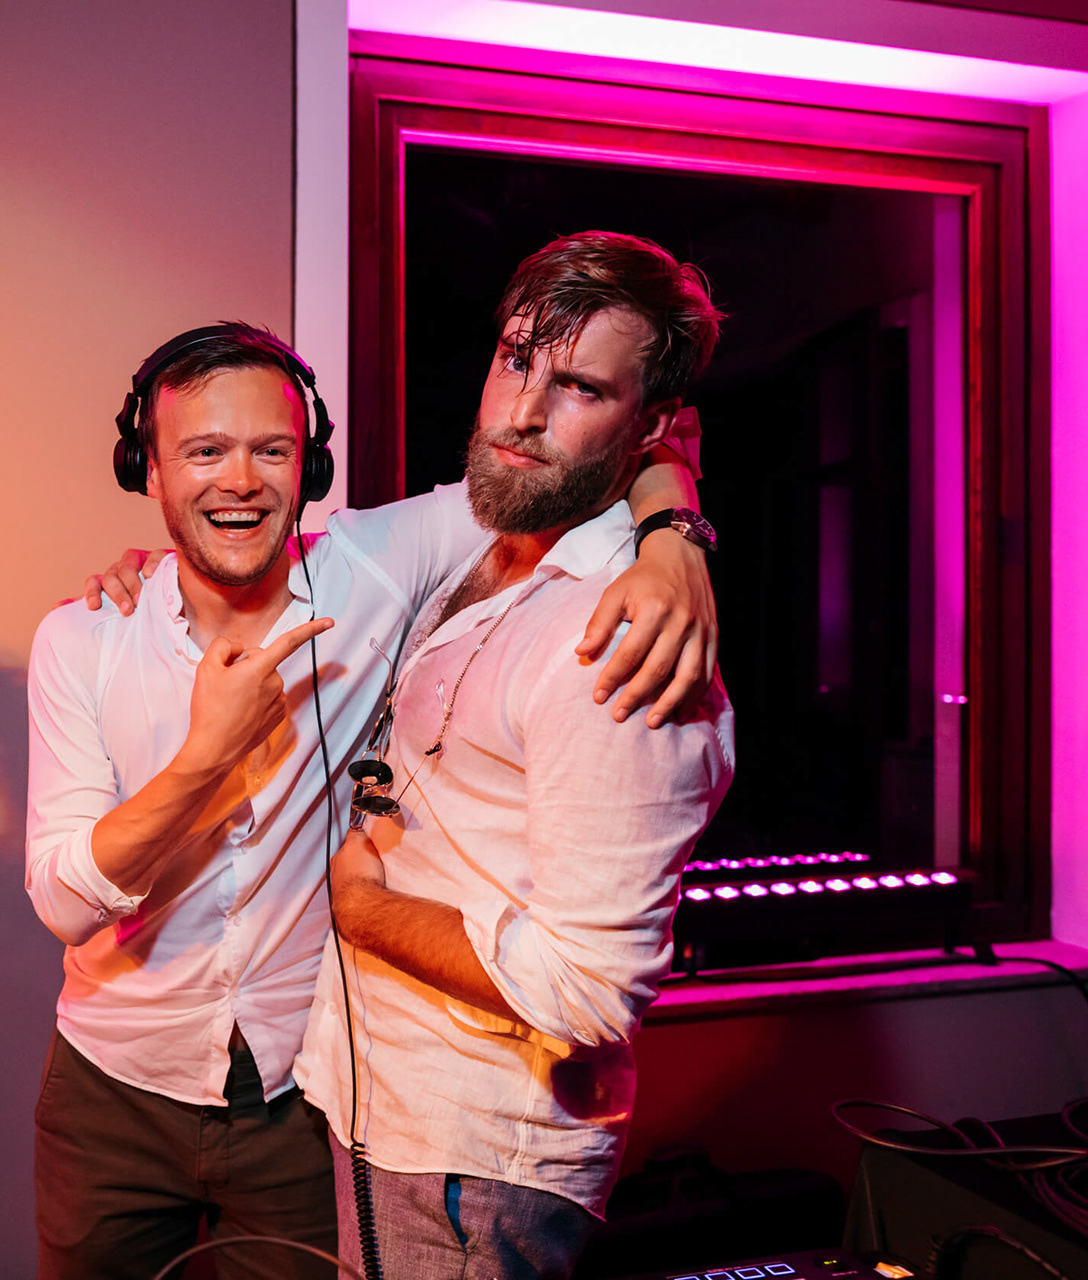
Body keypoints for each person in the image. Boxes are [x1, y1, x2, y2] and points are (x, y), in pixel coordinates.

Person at [25, 321, 714, 1279]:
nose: (240, 481)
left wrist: (676, 541)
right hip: (112, 1094)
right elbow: (65, 902)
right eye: (204, 452)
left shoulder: (377, 565)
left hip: (301, 1100)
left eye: (272, 451)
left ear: (310, 467)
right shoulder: (84, 641)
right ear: (147, 470)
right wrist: (207, 757)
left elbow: (592, 455)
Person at [296, 232, 736, 1279]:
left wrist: (361, 908)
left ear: (649, 423)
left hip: (470, 1164)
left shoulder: (619, 641)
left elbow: (588, 988)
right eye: (517, 360)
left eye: (580, 386)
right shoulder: (494, 545)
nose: (524, 412)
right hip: (391, 1111)